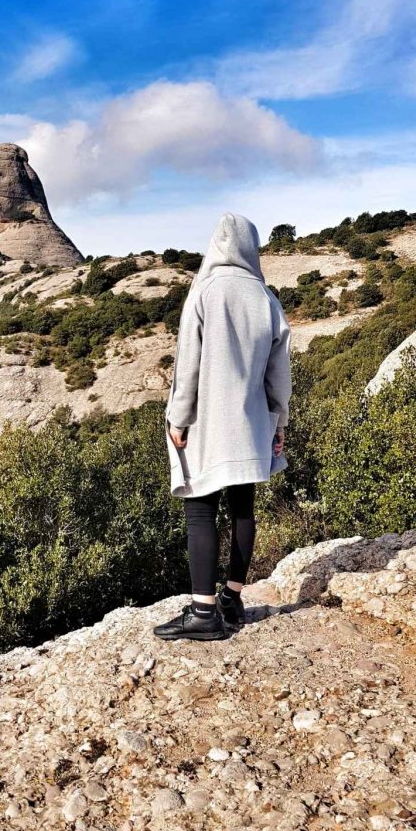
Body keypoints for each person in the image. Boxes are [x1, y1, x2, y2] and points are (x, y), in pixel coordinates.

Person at [154, 213, 291, 642]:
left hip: (208, 422)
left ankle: (203, 613)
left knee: (200, 512)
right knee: (243, 509)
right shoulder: (265, 297)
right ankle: (232, 598)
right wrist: (279, 418)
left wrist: (178, 416)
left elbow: (188, 363)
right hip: (251, 421)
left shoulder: (205, 291)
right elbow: (279, 370)